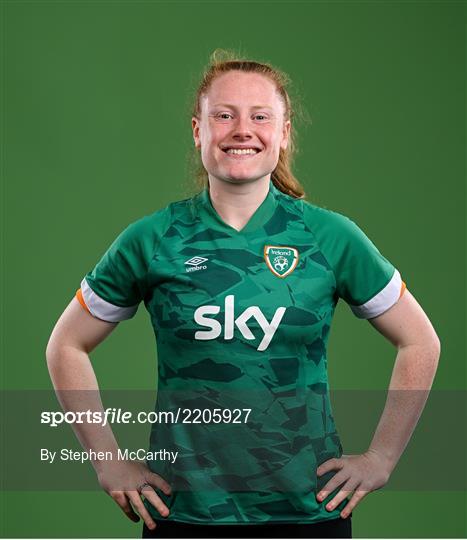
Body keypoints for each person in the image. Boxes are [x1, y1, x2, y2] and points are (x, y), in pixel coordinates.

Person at [46, 50, 441, 539]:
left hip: (308, 512)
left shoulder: (329, 236)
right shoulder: (153, 238)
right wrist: (107, 462)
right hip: (182, 515)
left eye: (260, 116)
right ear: (198, 130)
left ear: (284, 132)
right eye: (223, 115)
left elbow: (421, 341)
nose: (241, 129)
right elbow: (65, 345)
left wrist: (382, 457)